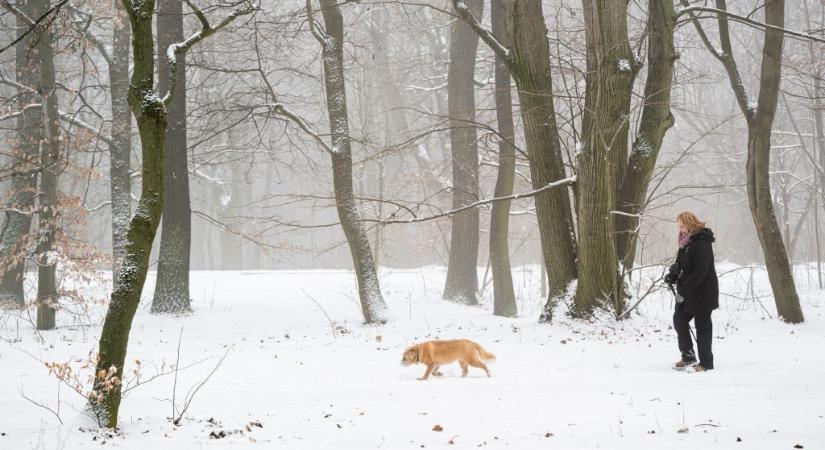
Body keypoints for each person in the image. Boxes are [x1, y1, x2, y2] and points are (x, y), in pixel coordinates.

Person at [664, 211, 719, 372]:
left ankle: (706, 363)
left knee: (702, 327)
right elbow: (680, 265)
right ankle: (688, 356)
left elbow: (700, 271)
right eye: (679, 226)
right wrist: (672, 275)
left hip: (703, 293)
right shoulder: (685, 243)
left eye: (682, 226)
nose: (680, 230)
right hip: (687, 293)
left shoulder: (702, 243)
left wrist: (684, 291)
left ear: (689, 224)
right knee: (679, 320)